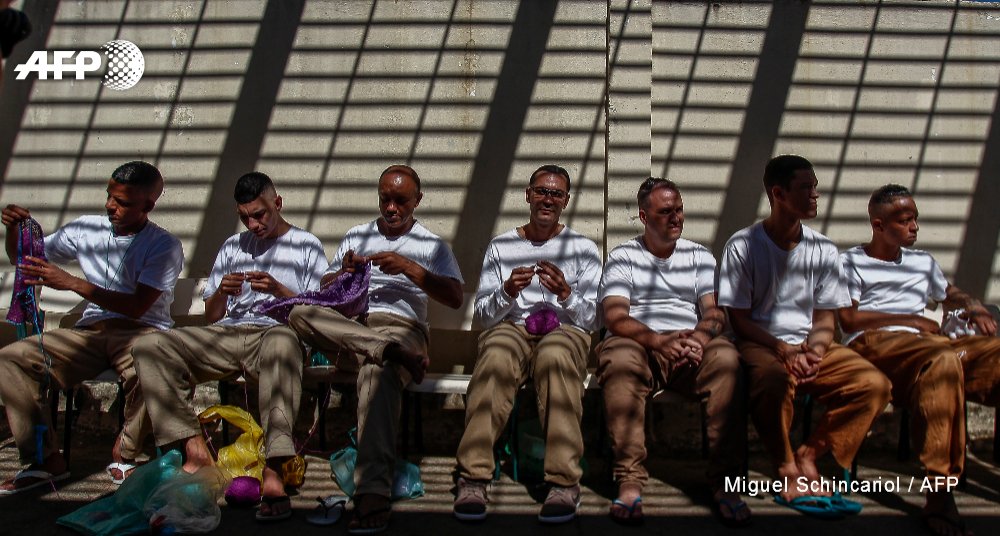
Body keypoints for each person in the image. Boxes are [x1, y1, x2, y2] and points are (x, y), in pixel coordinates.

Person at [131, 172, 326, 522]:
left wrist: (280, 291)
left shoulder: (306, 245)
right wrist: (222, 291)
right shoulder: (233, 246)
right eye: (245, 217)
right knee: (151, 345)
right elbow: (212, 315)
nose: (253, 224)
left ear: (277, 204)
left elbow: (317, 311)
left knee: (282, 343)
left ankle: (274, 466)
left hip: (277, 332)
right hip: (228, 334)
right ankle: (195, 451)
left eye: (260, 215)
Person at [287, 164, 463, 534]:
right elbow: (325, 287)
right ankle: (387, 351)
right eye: (385, 199)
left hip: (404, 330)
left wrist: (410, 268)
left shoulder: (431, 245)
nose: (392, 208)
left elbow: (454, 297)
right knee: (300, 313)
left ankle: (372, 492)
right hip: (354, 330)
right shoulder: (358, 235)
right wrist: (344, 273)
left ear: (418, 200)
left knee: (375, 371)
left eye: (401, 200)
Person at [717, 155, 891, 509]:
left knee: (874, 385)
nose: (815, 195)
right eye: (805, 188)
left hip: (809, 345)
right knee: (773, 382)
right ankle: (786, 467)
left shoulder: (823, 248)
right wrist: (783, 349)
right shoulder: (743, 245)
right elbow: (740, 319)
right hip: (761, 342)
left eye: (815, 187)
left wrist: (815, 350)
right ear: (778, 194)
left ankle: (809, 455)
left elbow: (826, 317)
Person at [0, 161, 183, 494]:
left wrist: (71, 282)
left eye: (122, 202)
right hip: (91, 332)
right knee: (12, 359)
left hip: (142, 330)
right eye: (109, 196)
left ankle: (125, 453)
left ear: (148, 206)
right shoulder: (86, 229)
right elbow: (22, 258)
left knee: (155, 360)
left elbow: (137, 306)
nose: (111, 206)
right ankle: (45, 460)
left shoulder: (164, 245)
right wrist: (15, 230)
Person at [839, 184, 999, 536]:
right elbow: (848, 319)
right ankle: (940, 493)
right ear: (879, 225)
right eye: (904, 220)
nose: (914, 227)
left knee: (987, 356)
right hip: (875, 345)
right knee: (941, 360)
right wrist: (912, 319)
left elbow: (948, 293)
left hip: (927, 344)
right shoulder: (851, 262)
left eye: (915, 219)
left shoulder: (922, 262)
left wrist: (972, 305)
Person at [453, 164, 601, 524]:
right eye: (541, 191)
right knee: (496, 358)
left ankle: (563, 482)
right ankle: (474, 476)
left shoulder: (583, 248)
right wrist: (507, 291)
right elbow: (484, 316)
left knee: (555, 357)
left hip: (564, 330)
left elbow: (594, 320)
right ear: (528, 195)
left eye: (556, 194)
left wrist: (566, 294)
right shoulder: (503, 246)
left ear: (566, 201)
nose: (547, 199)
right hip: (512, 328)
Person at [597, 177, 748, 526]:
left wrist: (700, 339)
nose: (676, 217)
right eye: (665, 212)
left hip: (691, 344)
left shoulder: (698, 256)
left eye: (679, 209)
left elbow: (714, 312)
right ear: (644, 216)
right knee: (618, 360)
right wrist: (658, 341)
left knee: (728, 361)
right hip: (640, 343)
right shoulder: (624, 256)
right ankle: (629, 480)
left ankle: (725, 483)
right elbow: (615, 316)